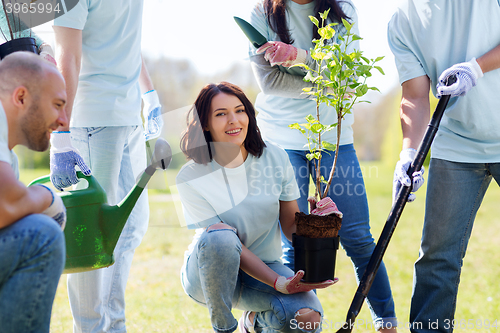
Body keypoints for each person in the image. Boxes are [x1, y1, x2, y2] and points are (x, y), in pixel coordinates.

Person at [248, 0, 398, 331]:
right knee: (294, 242)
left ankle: (386, 322)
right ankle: (291, 323)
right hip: (282, 141)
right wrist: (328, 81)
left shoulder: (343, 10)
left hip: (333, 137)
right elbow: (270, 83)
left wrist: (298, 58)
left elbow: (351, 74)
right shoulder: (261, 14)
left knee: (358, 237)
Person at [176, 82, 337, 333]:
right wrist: (278, 283)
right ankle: (224, 328)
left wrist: (316, 223)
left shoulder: (275, 157)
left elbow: (290, 224)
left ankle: (251, 323)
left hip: (262, 268)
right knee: (221, 237)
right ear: (205, 123)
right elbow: (227, 244)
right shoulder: (190, 176)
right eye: (221, 114)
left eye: (239, 111)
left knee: (307, 319)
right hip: (209, 275)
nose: (233, 120)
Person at [388, 1, 500, 332]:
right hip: (456, 146)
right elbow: (415, 96)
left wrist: (477, 66)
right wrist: (409, 153)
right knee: (437, 258)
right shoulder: (403, 19)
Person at [50, 1, 162, 331]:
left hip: (127, 117)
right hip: (91, 118)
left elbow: (124, 41)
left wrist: (150, 92)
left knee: (130, 227)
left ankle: (113, 325)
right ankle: (90, 328)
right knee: (92, 237)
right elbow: (66, 56)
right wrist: (61, 134)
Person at [0, 52, 67, 332]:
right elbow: (4, 206)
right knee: (40, 235)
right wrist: (48, 196)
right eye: (57, 105)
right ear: (21, 97)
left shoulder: (9, 158)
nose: (64, 119)